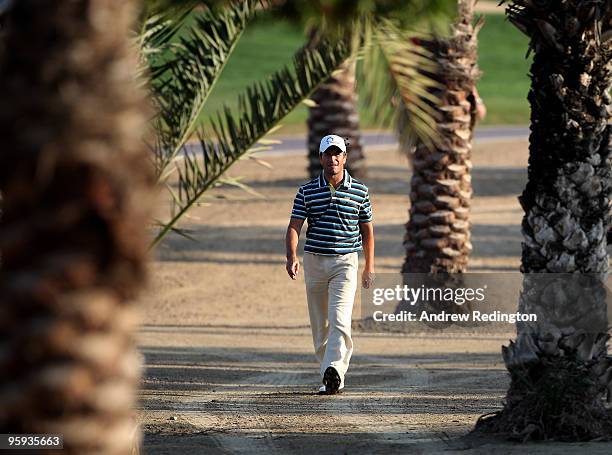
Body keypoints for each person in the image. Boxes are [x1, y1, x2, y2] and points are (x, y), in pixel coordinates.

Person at [285, 134, 375, 395]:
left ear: (345, 158)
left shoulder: (360, 191)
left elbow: (367, 230)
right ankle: (329, 374)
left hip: (345, 263)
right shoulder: (307, 191)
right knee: (320, 324)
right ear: (321, 158)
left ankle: (334, 369)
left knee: (339, 319)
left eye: (338, 154)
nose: (333, 158)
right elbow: (294, 226)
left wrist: (369, 266)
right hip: (314, 261)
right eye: (328, 154)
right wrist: (292, 256)